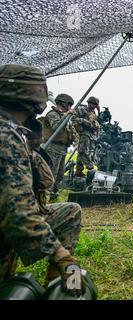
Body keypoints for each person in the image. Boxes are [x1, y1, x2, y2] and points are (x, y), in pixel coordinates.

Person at [0, 64, 84, 295]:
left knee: (70, 211)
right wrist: (62, 257)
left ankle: (53, 287)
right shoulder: (6, 137)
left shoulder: (17, 131)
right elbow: (18, 213)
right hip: (9, 224)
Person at [42, 93, 78, 199]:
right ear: (63, 104)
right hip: (52, 148)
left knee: (60, 174)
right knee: (51, 174)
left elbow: (71, 131)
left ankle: (53, 193)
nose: (70, 107)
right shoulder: (52, 114)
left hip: (62, 149)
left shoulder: (63, 116)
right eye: (69, 105)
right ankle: (45, 195)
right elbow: (56, 127)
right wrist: (67, 115)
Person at [72, 96, 100, 186]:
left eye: (96, 105)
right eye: (93, 104)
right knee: (83, 151)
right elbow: (73, 119)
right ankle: (90, 168)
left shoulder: (94, 113)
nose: (94, 106)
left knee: (81, 154)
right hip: (83, 133)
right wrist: (84, 121)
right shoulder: (81, 110)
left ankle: (79, 171)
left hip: (91, 136)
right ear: (89, 103)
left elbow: (96, 123)